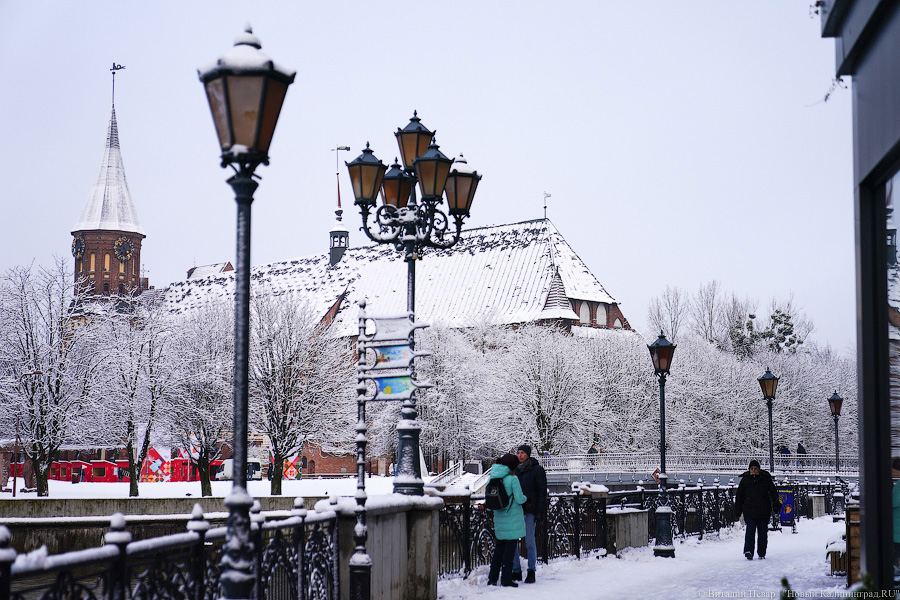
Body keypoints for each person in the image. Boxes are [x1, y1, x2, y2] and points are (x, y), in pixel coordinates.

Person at [486, 453, 526, 587]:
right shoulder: (512, 479)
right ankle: (506, 579)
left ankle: (492, 578)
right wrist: (526, 499)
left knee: (498, 550)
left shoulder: (492, 477)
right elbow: (520, 498)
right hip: (512, 518)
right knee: (509, 553)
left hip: (499, 517)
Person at [511, 444, 547, 584]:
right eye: (518, 453)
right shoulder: (515, 470)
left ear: (528, 454)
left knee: (530, 541)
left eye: (522, 453)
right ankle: (516, 570)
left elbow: (541, 491)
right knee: (513, 540)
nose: (519, 455)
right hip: (516, 510)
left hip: (530, 510)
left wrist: (539, 510)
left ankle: (531, 570)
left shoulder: (536, 470)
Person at [734, 459, 781, 560]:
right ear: (749, 470)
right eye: (752, 469)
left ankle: (761, 552)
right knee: (750, 531)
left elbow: (773, 494)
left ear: (759, 469)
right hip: (749, 511)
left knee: (762, 532)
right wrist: (737, 510)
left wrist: (775, 507)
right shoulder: (745, 481)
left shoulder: (765, 479)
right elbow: (740, 496)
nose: (754, 470)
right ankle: (748, 551)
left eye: (755, 468)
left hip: (763, 511)